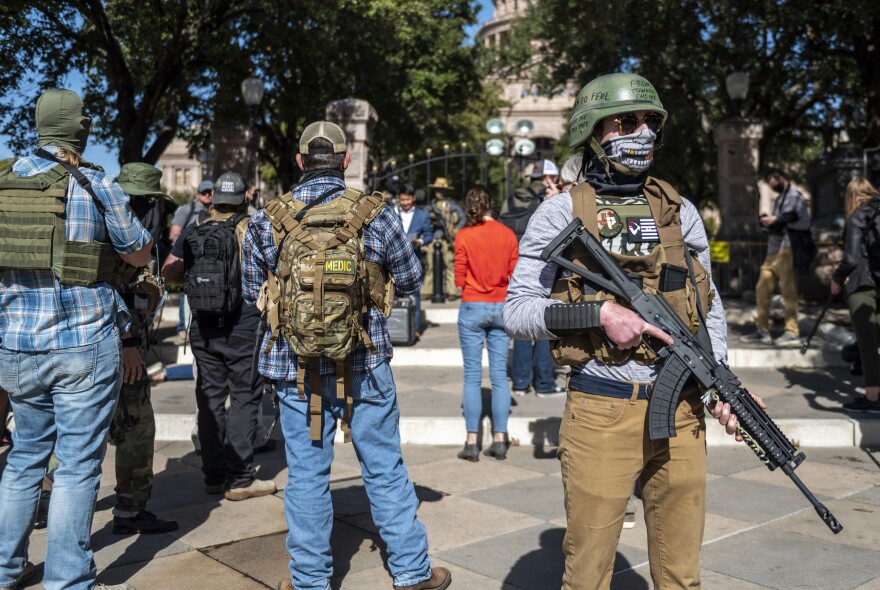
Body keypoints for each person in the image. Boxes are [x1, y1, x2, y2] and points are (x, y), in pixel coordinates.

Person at [503, 73, 754, 589]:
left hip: (682, 410)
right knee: (589, 572)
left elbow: (707, 307)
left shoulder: (680, 212)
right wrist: (598, 315)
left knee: (682, 574)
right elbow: (518, 310)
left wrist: (721, 380)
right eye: (627, 121)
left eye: (650, 123)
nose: (642, 133)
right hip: (601, 410)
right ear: (595, 131)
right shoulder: (559, 212)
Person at [241, 121, 451, 590]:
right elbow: (414, 281)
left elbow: (252, 292)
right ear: (345, 160)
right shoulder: (375, 213)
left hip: (292, 367)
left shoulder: (267, 217)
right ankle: (412, 572)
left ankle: (311, 580)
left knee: (306, 474)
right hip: (365, 360)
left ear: (299, 161)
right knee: (384, 465)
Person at [0, 88, 152, 589]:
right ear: (78, 131)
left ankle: (5, 568)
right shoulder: (93, 183)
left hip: (17, 345)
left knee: (24, 457)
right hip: (83, 345)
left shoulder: (2, 182)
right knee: (77, 467)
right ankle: (66, 579)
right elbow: (137, 254)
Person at [162, 171, 277, 501]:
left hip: (202, 325)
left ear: (213, 197)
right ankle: (240, 478)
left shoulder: (195, 227)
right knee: (243, 396)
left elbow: (170, 270)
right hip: (244, 325)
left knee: (209, 398)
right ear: (245, 198)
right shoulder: (255, 227)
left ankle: (213, 475)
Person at [109, 162, 180, 535]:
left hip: (92, 346)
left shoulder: (97, 219)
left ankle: (46, 499)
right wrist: (130, 342)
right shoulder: (124, 234)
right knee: (136, 426)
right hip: (122, 346)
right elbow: (114, 292)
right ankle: (131, 510)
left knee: (73, 430)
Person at [453, 185, 518, 462]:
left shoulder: (464, 235)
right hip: (501, 304)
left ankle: (471, 441)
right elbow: (514, 273)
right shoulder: (507, 234)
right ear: (492, 204)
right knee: (500, 377)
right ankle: (500, 438)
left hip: (472, 304)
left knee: (471, 375)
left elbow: (458, 279)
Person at [741, 169, 811, 346]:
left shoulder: (795, 196)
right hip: (773, 250)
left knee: (788, 290)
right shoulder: (780, 199)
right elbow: (780, 221)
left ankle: (791, 331)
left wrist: (776, 220)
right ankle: (762, 329)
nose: (773, 188)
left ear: (781, 178)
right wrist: (768, 222)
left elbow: (795, 218)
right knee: (762, 288)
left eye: (773, 184)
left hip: (787, 249)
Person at [833, 177, 880, 412]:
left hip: (863, 285)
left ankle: (872, 398)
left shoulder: (856, 216)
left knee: (868, 343)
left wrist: (836, 278)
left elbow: (851, 259)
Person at [170, 179, 213, 344]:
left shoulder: (214, 212)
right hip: (190, 259)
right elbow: (175, 234)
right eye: (204, 192)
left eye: (210, 192)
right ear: (198, 195)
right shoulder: (187, 210)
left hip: (208, 261)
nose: (208, 195)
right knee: (186, 294)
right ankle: (183, 329)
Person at [395, 183, 434, 338]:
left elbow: (429, 235)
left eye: (407, 200)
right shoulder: (393, 212)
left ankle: (415, 328)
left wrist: (420, 242)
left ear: (413, 198)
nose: (405, 203)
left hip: (414, 259)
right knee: (394, 295)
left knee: (414, 295)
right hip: (395, 260)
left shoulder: (422, 215)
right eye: (402, 200)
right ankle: (397, 326)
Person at [423, 177, 464, 300]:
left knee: (449, 264)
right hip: (433, 238)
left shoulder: (452, 205)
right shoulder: (431, 206)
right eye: (437, 190)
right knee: (430, 265)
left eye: (441, 190)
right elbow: (424, 218)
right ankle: (428, 290)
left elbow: (463, 218)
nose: (439, 192)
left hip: (447, 239)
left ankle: (452, 291)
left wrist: (456, 229)